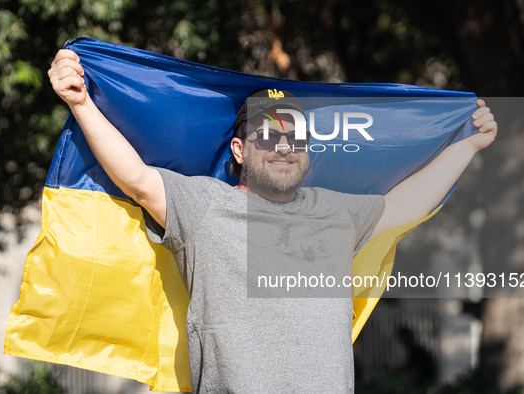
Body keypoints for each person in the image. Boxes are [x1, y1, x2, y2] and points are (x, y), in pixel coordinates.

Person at [48, 49, 497, 393]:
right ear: (240, 152)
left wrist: (469, 146)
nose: (284, 145)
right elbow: (136, 179)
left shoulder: (336, 210)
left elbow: (406, 205)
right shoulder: (203, 205)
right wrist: (82, 102)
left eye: (295, 136)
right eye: (268, 135)